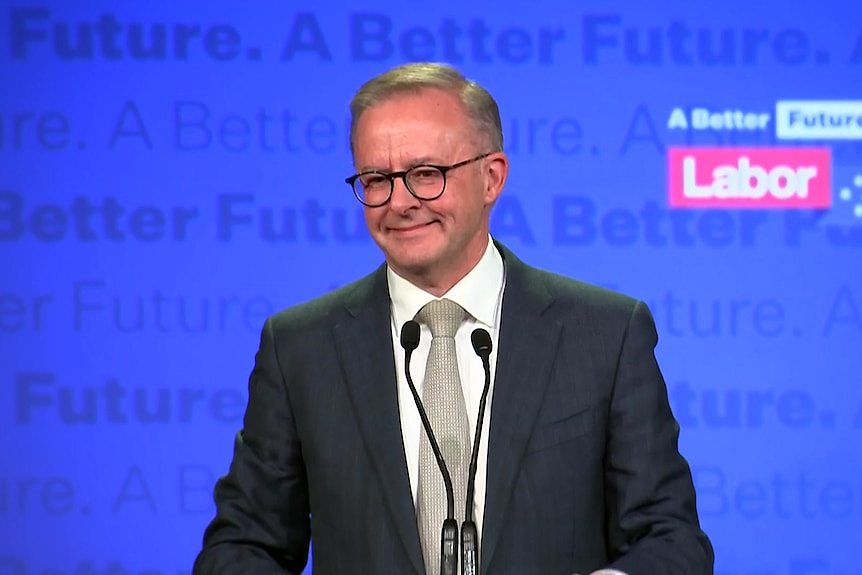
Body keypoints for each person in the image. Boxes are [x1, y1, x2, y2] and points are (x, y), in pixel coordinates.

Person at [193, 62, 714, 575]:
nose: (399, 203)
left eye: (425, 174)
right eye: (377, 179)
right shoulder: (300, 348)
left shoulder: (605, 335)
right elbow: (240, 548)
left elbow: (672, 542)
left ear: (492, 178)